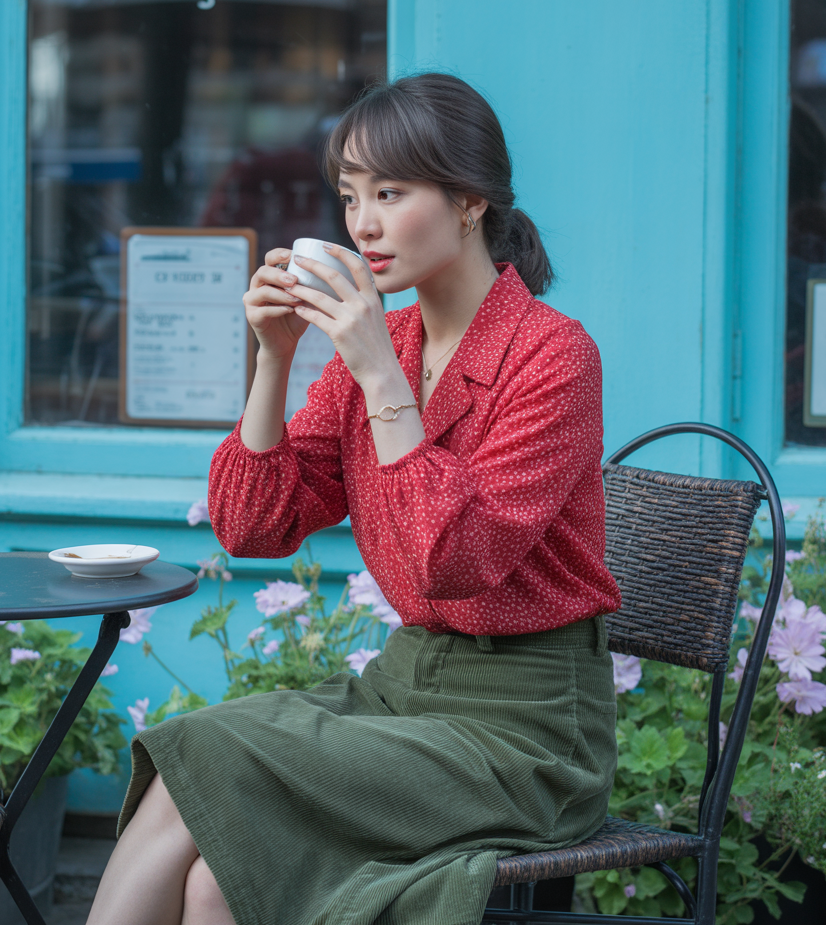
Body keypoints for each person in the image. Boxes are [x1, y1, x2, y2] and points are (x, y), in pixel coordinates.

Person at [87, 73, 621, 925]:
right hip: (404, 694)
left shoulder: (553, 357)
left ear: (471, 200)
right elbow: (255, 527)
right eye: (349, 195)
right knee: (218, 872)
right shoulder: (388, 338)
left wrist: (376, 369)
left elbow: (454, 559)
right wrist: (272, 356)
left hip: (529, 735)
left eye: (390, 192)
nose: (362, 222)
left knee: (215, 756)